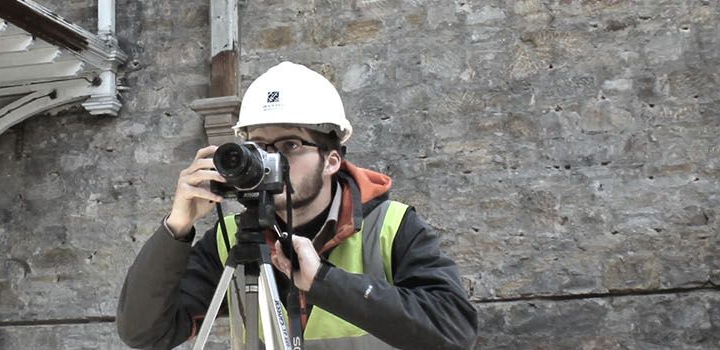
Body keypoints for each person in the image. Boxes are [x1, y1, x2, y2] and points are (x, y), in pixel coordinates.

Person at [114, 62, 479, 349]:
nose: (272, 159)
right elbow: (145, 334)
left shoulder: (390, 227)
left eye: (290, 145)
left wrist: (324, 281)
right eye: (259, 146)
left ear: (332, 159)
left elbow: (453, 330)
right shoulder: (232, 238)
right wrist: (176, 228)